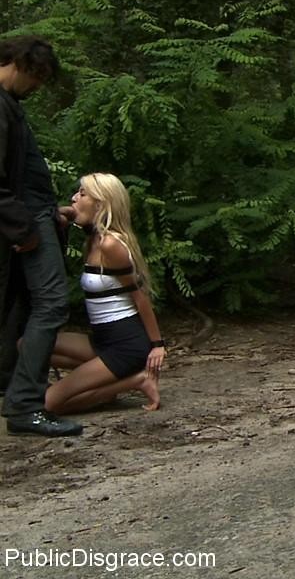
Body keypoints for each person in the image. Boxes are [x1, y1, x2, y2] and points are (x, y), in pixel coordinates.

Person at [0, 35, 83, 436]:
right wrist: (24, 226)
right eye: (36, 76)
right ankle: (25, 405)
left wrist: (52, 211)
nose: (37, 86)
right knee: (51, 304)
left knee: (22, 303)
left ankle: (14, 389)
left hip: (33, 217)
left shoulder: (10, 105)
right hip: (25, 223)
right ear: (16, 63)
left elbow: (21, 175)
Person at [46, 173, 165, 413]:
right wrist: (65, 214)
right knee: (28, 346)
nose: (74, 198)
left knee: (46, 404)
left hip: (125, 345)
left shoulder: (111, 245)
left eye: (82, 193)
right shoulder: (92, 240)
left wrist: (158, 344)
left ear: (101, 203)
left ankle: (135, 380)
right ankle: (103, 379)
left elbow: (140, 297)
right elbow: (61, 217)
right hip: (101, 339)